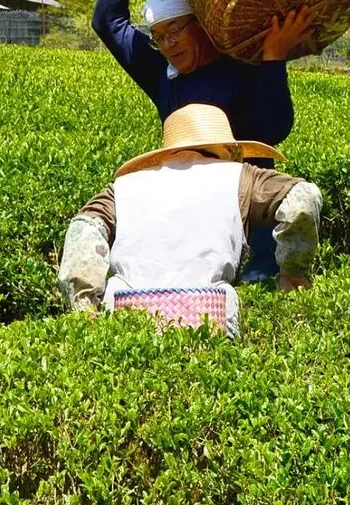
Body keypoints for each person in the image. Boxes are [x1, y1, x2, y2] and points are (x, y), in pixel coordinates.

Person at [94, 0, 315, 279]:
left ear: (201, 25)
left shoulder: (240, 62)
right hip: (190, 226)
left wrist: (274, 58)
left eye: (175, 31)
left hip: (250, 220)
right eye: (158, 37)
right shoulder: (162, 74)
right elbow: (108, 22)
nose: (167, 45)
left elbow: (272, 128)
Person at [56, 103, 323, 338]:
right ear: (228, 150)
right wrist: (293, 272)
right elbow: (303, 198)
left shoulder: (122, 187)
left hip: (128, 321)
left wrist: (84, 308)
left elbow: (84, 229)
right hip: (209, 318)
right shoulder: (241, 177)